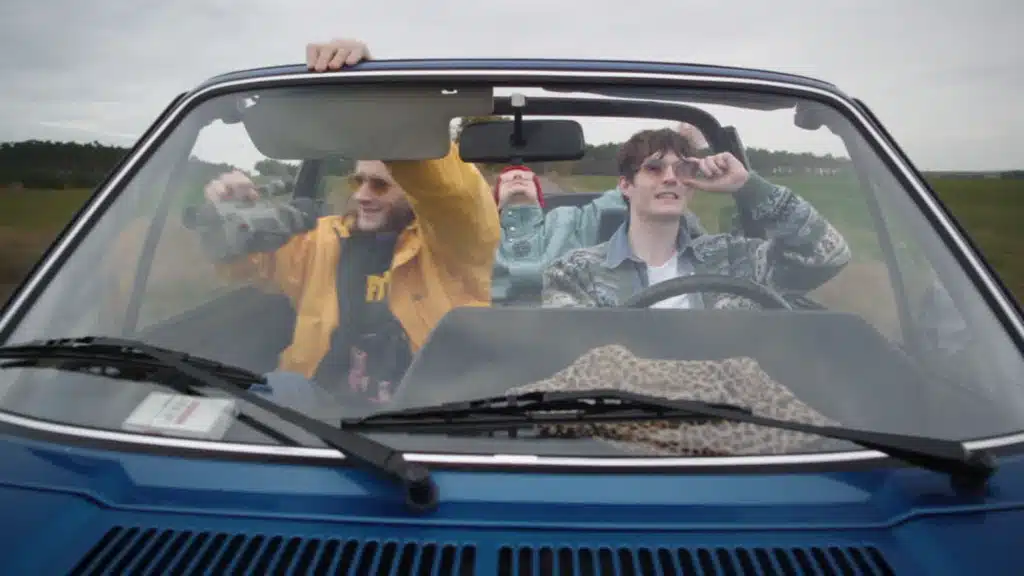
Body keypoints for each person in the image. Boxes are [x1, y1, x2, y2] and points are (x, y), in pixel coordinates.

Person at [197, 38, 499, 407]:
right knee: (273, 392)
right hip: (317, 410)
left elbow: (454, 194)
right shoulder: (323, 238)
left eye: (380, 185)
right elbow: (251, 265)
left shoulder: (454, 245)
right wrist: (229, 221)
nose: (362, 196)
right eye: (358, 182)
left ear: (415, 191)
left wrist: (373, 101)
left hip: (430, 414)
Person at [542, 127, 851, 308]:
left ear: (691, 185)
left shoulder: (734, 259)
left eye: (682, 169)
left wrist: (749, 186)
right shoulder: (576, 273)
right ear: (625, 185)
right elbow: (578, 367)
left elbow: (827, 256)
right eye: (654, 168)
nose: (670, 178)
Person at [490, 124, 710, 304]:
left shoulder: (568, 219)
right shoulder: (481, 232)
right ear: (494, 196)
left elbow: (631, 195)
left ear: (539, 194)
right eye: (508, 179)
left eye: (525, 178)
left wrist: (684, 148)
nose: (517, 179)